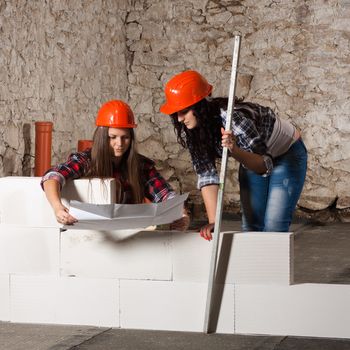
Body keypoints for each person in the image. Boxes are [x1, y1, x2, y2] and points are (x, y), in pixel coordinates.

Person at [160, 70, 307, 240]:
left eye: (184, 111)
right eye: (176, 113)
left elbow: (264, 165)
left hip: (286, 153)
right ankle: (253, 267)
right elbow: (206, 175)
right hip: (251, 155)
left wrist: (235, 150)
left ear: (199, 107)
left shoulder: (233, 120)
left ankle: (270, 266)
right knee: (251, 226)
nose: (179, 119)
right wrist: (214, 221)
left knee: (274, 226)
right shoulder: (194, 132)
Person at [41, 99, 189, 230]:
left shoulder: (141, 166)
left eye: (125, 138)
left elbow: (165, 194)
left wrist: (181, 213)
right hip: (93, 236)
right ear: (102, 137)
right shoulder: (86, 160)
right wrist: (57, 207)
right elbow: (53, 176)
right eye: (113, 137)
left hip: (130, 235)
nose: (119, 144)